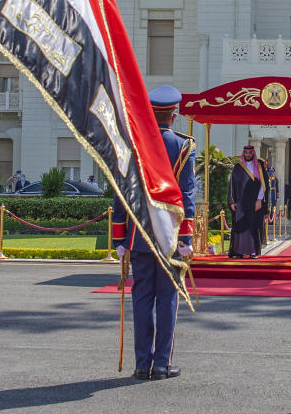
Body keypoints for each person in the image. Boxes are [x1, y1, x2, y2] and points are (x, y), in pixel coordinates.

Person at [112, 86, 195, 381]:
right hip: (169, 236)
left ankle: (141, 364)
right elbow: (186, 195)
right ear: (174, 115)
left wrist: (119, 238)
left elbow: (122, 192)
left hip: (138, 235)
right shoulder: (183, 147)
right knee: (167, 299)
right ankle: (162, 363)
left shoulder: (134, 145)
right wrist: (185, 239)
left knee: (142, 299)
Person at [227, 145, 269, 258]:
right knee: (241, 228)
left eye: (250, 153)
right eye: (246, 153)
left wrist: (260, 200)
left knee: (253, 227)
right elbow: (232, 185)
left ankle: (253, 251)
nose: (248, 155)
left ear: (253, 154)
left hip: (254, 203)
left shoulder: (259, 167)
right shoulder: (238, 167)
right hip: (240, 203)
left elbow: (263, 186)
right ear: (243, 153)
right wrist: (231, 201)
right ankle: (239, 251)